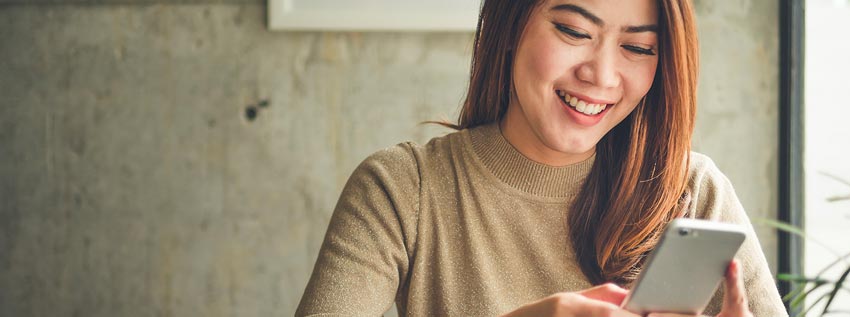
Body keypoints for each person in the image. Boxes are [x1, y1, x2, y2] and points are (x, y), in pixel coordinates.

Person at [296, 0, 788, 316]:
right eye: (574, 32)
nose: (602, 75)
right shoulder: (404, 190)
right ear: (511, 23)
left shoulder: (691, 190)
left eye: (638, 47)